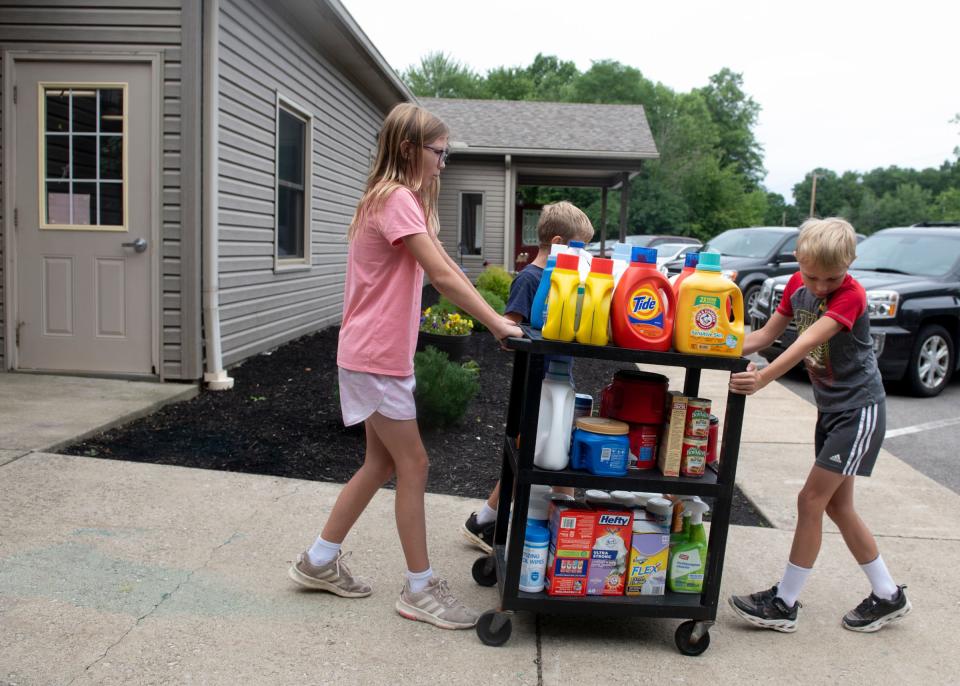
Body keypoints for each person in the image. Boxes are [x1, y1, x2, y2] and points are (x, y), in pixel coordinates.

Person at [288, 103, 522, 630]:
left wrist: (492, 314)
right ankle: (420, 588)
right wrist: (495, 324)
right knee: (413, 463)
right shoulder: (394, 199)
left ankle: (319, 560)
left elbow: (444, 265)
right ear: (409, 149)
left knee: (381, 462)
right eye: (439, 152)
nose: (443, 162)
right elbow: (440, 275)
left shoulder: (397, 201)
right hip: (376, 358)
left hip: (373, 353)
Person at [727, 217, 910, 634]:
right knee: (838, 506)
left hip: (858, 411)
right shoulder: (796, 285)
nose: (822, 286)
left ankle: (783, 603)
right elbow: (763, 336)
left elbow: (806, 342)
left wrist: (763, 379)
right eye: (813, 276)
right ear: (799, 260)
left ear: (850, 264)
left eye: (833, 277)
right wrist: (703, 340)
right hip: (832, 411)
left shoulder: (851, 296)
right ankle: (887, 594)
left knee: (810, 500)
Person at [461, 201, 594, 553]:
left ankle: (566, 520)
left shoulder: (571, 279)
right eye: (579, 247)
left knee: (559, 449)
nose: (584, 255)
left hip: (561, 379)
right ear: (557, 241)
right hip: (535, 381)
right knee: (527, 450)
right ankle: (487, 518)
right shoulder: (529, 278)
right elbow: (509, 331)